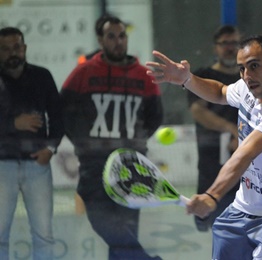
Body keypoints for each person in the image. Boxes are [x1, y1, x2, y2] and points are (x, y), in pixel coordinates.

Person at [146, 35, 262, 260]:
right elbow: (220, 92)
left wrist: (211, 195)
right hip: (242, 209)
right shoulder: (248, 88)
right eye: (242, 69)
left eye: (254, 65)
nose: (247, 76)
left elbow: (245, 153)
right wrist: (187, 79)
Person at [60, 16, 163, 260]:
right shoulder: (83, 73)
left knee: (124, 236)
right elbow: (63, 110)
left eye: (122, 36)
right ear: (100, 40)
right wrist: (83, 144)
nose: (118, 42)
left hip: (132, 167)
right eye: (111, 36)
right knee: (106, 225)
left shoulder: (143, 75)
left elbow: (155, 117)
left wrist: (133, 143)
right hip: (94, 166)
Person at [0, 27, 64, 260]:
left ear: (24, 48)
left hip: (37, 165)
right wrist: (12, 123)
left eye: (16, 47)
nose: (12, 53)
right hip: (1, 165)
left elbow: (58, 117)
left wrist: (51, 148)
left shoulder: (41, 76)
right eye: (5, 49)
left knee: (44, 234)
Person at [187, 25, 241, 231]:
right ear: (215, 48)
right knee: (210, 224)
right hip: (211, 166)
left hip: (244, 170)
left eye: (234, 43)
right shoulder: (203, 75)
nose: (229, 48)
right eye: (224, 43)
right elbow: (198, 111)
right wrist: (232, 130)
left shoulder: (250, 80)